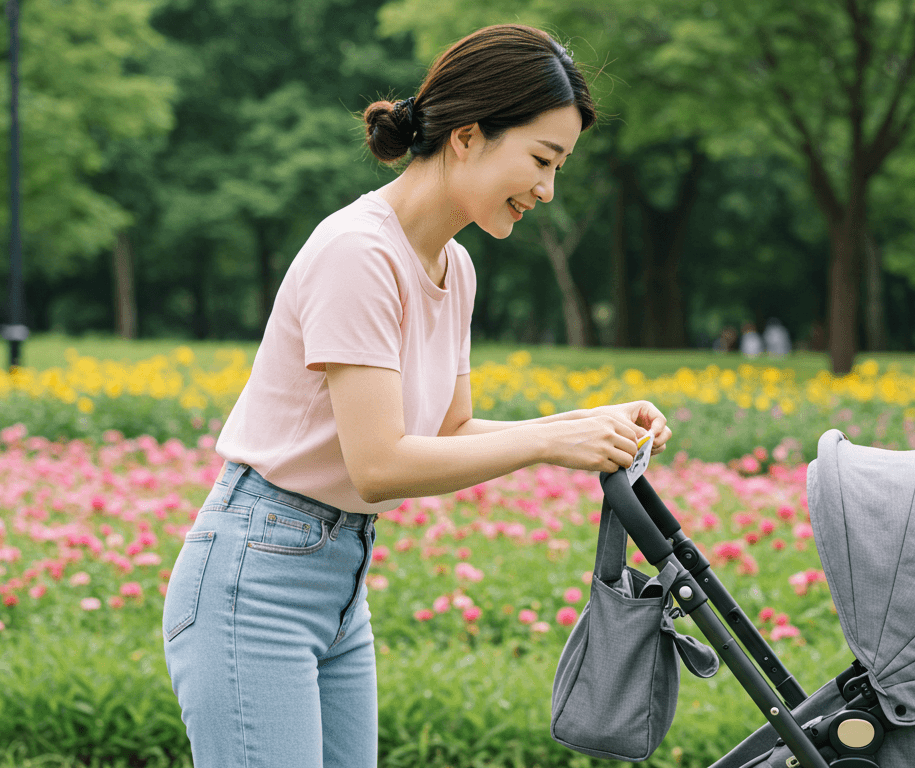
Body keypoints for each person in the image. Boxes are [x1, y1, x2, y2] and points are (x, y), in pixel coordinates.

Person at [160, 25, 672, 768]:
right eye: (540, 160)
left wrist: (585, 423)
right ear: (467, 137)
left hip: (338, 583)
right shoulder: (359, 253)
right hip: (256, 581)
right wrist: (548, 442)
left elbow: (449, 428)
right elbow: (379, 465)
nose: (547, 190)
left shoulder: (452, 266)